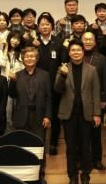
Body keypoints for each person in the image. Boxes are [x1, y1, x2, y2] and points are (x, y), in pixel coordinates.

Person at [55, 40, 101, 184]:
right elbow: (57, 89)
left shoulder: (92, 70)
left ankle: (86, 174)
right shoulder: (62, 69)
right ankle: (72, 176)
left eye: (78, 50)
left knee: (86, 147)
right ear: (69, 53)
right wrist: (62, 76)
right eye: (73, 50)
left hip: (86, 114)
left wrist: (97, 113)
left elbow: (96, 93)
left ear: (83, 52)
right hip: (68, 114)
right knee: (70, 148)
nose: (76, 52)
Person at [8, 46, 52, 142]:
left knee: (39, 145)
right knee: (22, 145)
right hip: (21, 117)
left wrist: (47, 116)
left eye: (32, 56)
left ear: (36, 59)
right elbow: (12, 94)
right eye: (26, 57)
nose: (29, 59)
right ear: (23, 59)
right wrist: (12, 81)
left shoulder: (45, 75)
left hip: (39, 117)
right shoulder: (17, 75)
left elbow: (48, 97)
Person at [34, 13, 63, 155]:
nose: (45, 27)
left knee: (55, 116)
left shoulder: (59, 42)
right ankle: (39, 144)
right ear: (38, 27)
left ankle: (53, 143)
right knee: (39, 114)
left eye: (47, 24)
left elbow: (63, 63)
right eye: (42, 24)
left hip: (54, 86)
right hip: (37, 85)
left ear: (52, 26)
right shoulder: (34, 42)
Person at [82, 31, 106, 171]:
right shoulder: (77, 55)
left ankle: (97, 159)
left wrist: (104, 99)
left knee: (96, 133)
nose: (87, 42)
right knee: (81, 133)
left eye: (90, 39)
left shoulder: (101, 58)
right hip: (80, 100)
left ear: (95, 42)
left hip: (96, 99)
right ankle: (82, 160)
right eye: (85, 39)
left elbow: (105, 79)